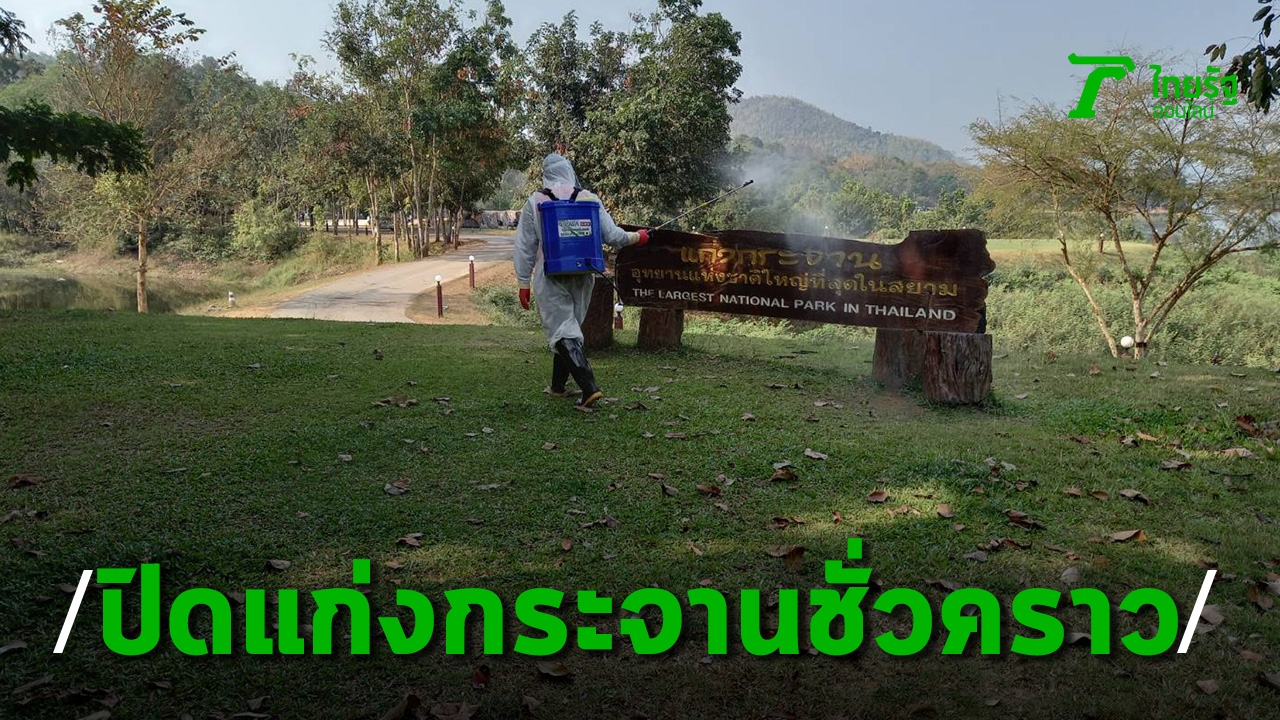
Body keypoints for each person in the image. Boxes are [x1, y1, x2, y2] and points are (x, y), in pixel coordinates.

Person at [514, 152, 649, 408]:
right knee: (569, 326)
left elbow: (524, 246)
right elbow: (612, 235)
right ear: (569, 171)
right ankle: (558, 387)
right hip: (584, 273)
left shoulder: (535, 201)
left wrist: (523, 281)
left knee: (562, 329)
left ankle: (589, 387)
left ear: (546, 173)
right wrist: (637, 238)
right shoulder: (589, 198)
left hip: (550, 274)